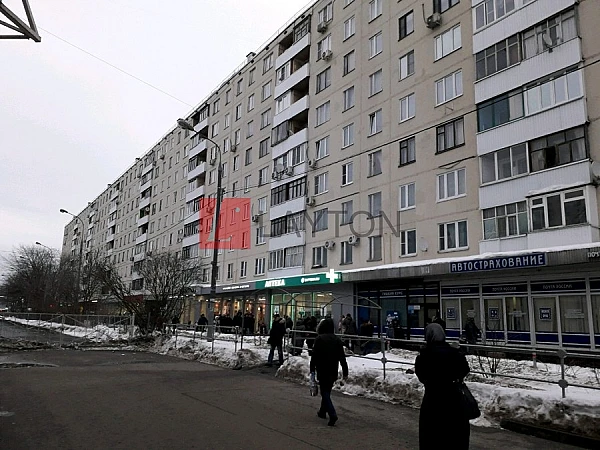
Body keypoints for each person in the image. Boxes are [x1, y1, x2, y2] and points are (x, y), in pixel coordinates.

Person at [415, 323, 471, 450]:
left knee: (432, 438)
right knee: (455, 438)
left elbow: (421, 376)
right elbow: (465, 369)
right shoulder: (454, 353)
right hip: (455, 401)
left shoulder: (424, 355)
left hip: (432, 402)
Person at [310, 318, 349, 427]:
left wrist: (312, 369)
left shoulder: (319, 339)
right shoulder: (337, 339)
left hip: (322, 368)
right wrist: (345, 371)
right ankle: (322, 411)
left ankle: (332, 414)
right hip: (333, 369)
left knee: (324, 392)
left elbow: (314, 356)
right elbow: (342, 357)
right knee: (327, 390)